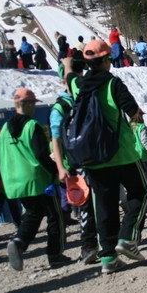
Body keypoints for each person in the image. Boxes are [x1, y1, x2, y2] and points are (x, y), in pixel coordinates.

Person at [62, 39, 147, 274]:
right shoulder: (113, 83)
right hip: (121, 153)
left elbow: (69, 77)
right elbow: (133, 112)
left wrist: (68, 64)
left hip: (93, 158)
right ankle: (128, 237)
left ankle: (108, 258)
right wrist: (137, 114)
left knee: (104, 205)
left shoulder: (79, 86)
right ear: (107, 60)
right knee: (141, 191)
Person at [0, 89, 70, 271]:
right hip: (38, 179)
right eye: (33, 104)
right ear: (28, 104)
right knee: (55, 216)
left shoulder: (4, 129)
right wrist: (56, 170)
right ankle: (55, 255)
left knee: (33, 213)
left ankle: (18, 242)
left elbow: (0, 154)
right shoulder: (32, 126)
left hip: (15, 182)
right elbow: (41, 154)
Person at [50, 54, 98, 264]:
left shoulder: (84, 96)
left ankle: (101, 241)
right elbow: (56, 139)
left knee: (97, 202)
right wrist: (61, 167)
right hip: (76, 163)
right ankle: (88, 246)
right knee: (85, 204)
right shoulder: (61, 107)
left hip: (94, 159)